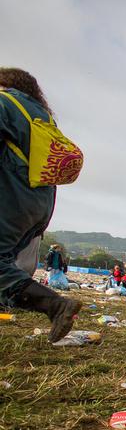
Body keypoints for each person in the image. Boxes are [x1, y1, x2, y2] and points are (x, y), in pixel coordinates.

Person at [0, 68, 82, 341]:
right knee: (5, 263)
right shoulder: (42, 116)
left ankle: (55, 305)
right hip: (39, 204)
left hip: (10, 196)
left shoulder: (6, 102)